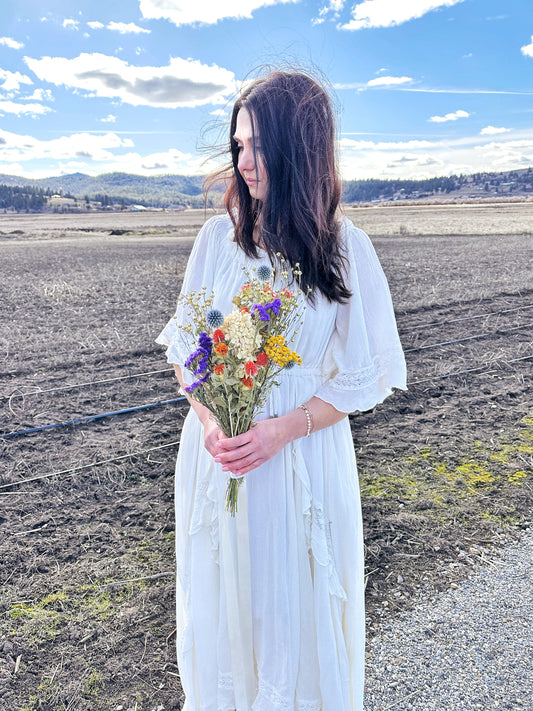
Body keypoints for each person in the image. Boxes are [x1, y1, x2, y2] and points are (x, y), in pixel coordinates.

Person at [156, 70, 407, 711]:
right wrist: (213, 422)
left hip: (301, 462)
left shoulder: (345, 249)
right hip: (221, 460)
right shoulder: (218, 241)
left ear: (303, 150)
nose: (245, 162)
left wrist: (278, 429)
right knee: (226, 609)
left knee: (293, 608)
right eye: (238, 146)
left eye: (260, 146)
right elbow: (189, 351)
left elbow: (367, 375)